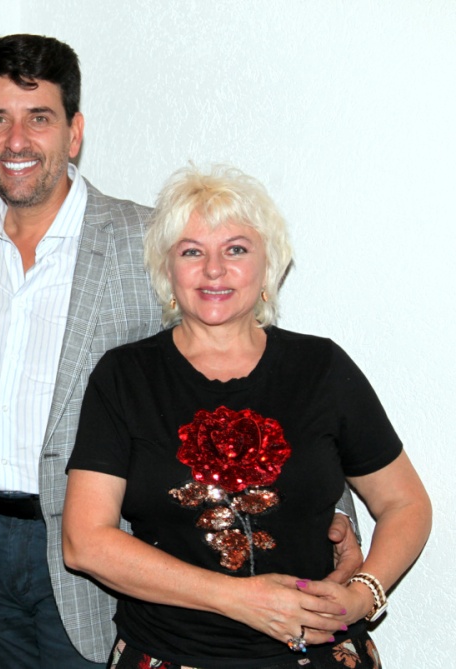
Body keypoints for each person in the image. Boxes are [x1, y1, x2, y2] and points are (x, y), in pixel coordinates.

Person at [0, 34, 364, 668]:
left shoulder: (146, 239)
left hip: (95, 555)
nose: (17, 140)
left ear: (74, 133)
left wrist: (330, 508)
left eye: (40, 118)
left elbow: (245, 363)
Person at [62, 164, 432, 668]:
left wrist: (365, 594)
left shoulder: (321, 368)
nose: (214, 269)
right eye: (192, 251)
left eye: (236, 249)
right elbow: (84, 542)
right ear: (167, 269)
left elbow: (406, 503)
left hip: (317, 655)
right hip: (171, 655)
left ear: (269, 266)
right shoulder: (125, 377)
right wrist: (242, 599)